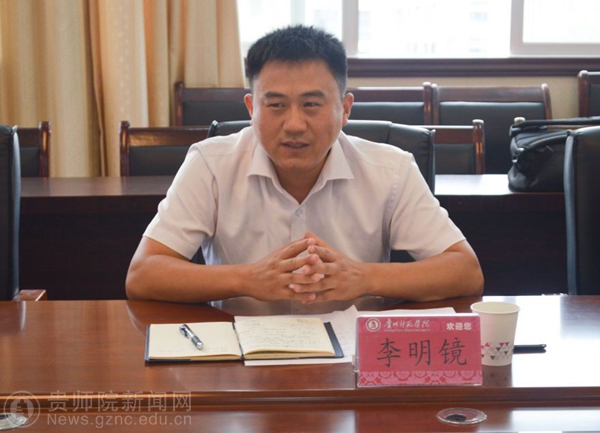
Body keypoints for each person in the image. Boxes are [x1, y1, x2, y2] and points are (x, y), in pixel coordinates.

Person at [126, 25, 483, 315]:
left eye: (311, 104)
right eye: (276, 105)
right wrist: (247, 280)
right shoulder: (210, 163)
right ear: (251, 108)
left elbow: (465, 272)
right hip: (240, 361)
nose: (294, 124)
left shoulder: (390, 170)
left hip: (353, 364)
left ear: (345, 109)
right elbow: (143, 274)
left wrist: (363, 277)